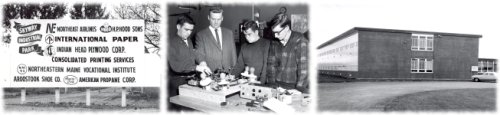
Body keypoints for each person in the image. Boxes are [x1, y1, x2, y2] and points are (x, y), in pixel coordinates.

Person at [167, 15, 211, 110]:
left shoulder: (189, 41)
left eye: (191, 30)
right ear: (178, 26)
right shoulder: (170, 43)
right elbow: (176, 65)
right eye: (186, 29)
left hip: (189, 81)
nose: (189, 33)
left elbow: (192, 55)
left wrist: (202, 63)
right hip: (176, 84)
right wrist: (196, 68)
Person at [266, 12, 309, 93]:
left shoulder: (300, 40)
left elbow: (304, 68)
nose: (275, 36)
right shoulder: (274, 42)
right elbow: (271, 65)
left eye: (278, 32)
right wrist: (272, 84)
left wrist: (299, 89)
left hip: (295, 86)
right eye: (273, 32)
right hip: (277, 84)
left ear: (286, 28)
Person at [194, 6, 237, 72]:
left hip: (228, 73)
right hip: (211, 73)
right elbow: (199, 53)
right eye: (213, 19)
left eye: (218, 19)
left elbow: (233, 55)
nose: (216, 22)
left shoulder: (229, 33)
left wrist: (235, 71)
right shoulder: (201, 35)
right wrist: (202, 64)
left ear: (222, 18)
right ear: (208, 18)